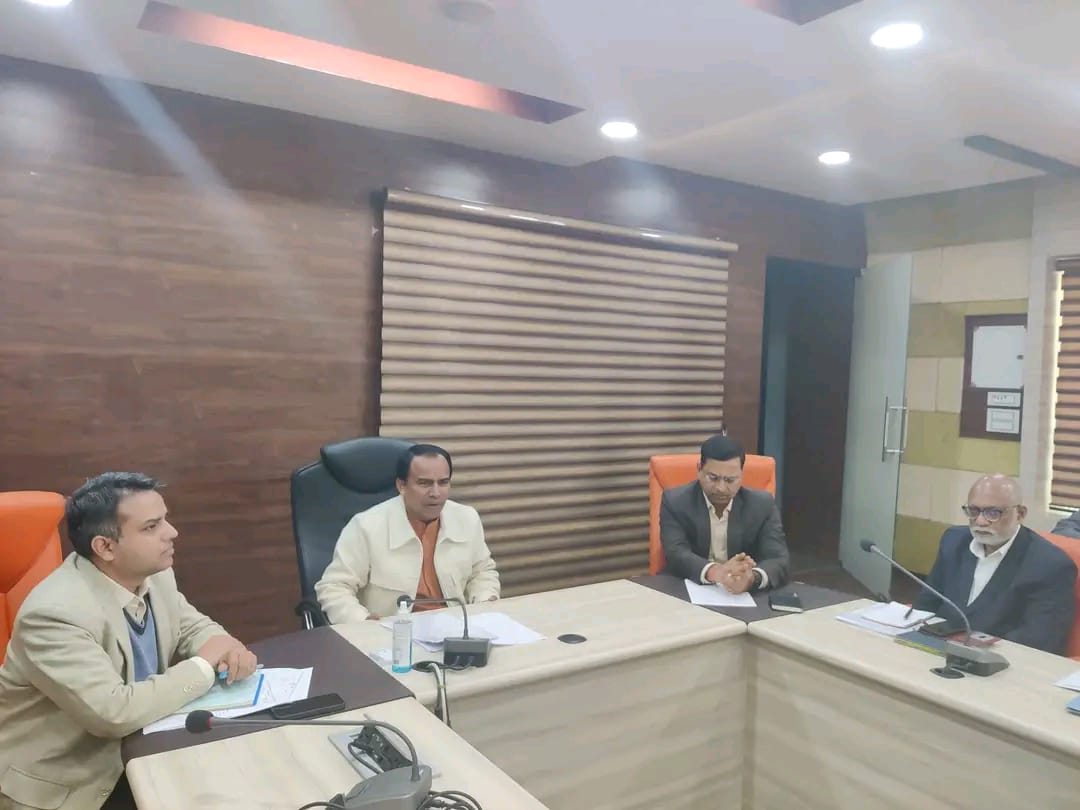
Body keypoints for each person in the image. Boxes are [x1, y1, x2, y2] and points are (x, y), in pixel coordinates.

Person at [0, 472, 257, 810]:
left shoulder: (154, 574)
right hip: (70, 785)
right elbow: (113, 712)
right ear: (105, 547)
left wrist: (227, 647)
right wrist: (203, 666)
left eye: (165, 519)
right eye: (151, 527)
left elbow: (192, 626)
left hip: (138, 750)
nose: (172, 532)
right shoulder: (53, 614)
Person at [316, 443, 500, 623]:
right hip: (392, 630)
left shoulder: (466, 518)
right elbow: (334, 587)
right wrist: (363, 621)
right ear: (401, 485)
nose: (436, 493)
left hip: (457, 626)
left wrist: (484, 601)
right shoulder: (365, 526)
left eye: (443, 482)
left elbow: (482, 572)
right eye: (424, 483)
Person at [914, 474, 1076, 654]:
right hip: (936, 649)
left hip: (999, 662)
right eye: (973, 511)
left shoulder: (1050, 565)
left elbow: (1039, 640)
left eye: (993, 513)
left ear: (1020, 514)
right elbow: (926, 605)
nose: (980, 521)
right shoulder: (954, 541)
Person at [660, 434, 790, 592]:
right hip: (686, 587)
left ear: (741, 475)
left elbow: (778, 559)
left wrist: (751, 578)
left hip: (741, 596)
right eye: (713, 478)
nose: (721, 488)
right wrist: (716, 572)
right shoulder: (675, 501)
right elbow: (676, 553)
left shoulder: (762, 505)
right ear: (699, 470)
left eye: (730, 480)